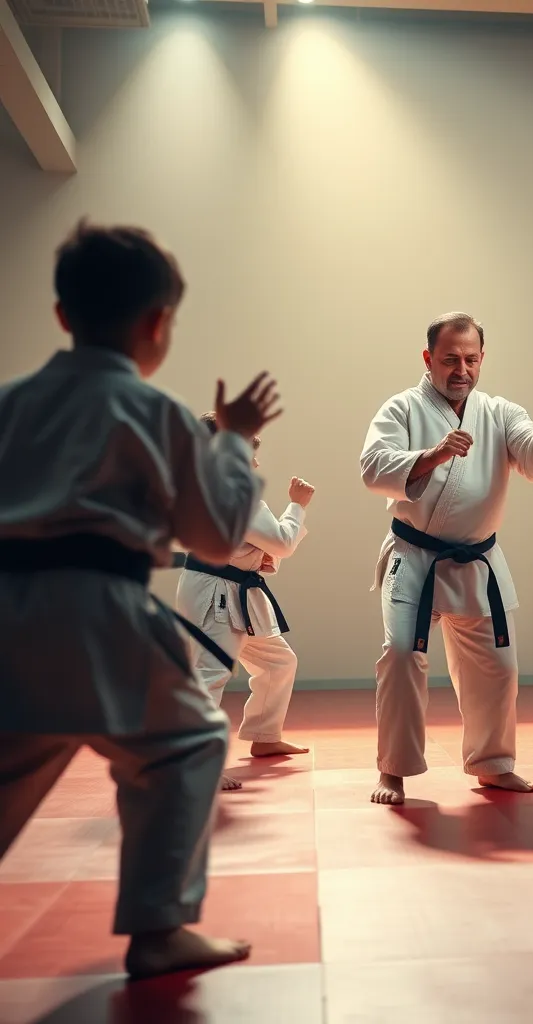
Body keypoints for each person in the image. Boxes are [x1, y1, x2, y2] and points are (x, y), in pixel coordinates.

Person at [0, 221, 282, 978]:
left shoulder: (10, 403)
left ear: (62, 313)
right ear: (158, 325)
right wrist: (232, 440)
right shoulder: (156, 414)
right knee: (187, 742)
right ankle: (158, 928)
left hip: (8, 607)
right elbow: (217, 535)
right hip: (100, 607)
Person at [360, 311, 533, 805]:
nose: (461, 369)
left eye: (471, 359)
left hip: (477, 560)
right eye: (450, 359)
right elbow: (373, 468)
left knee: (498, 667)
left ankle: (492, 763)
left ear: (482, 359)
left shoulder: (499, 412)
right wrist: (433, 456)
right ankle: (393, 770)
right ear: (428, 359)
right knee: (400, 656)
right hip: (416, 557)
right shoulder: (401, 409)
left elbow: (531, 454)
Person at [176, 413, 315, 791]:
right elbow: (282, 541)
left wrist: (255, 557)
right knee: (211, 674)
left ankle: (265, 736)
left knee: (278, 662)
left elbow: (247, 545)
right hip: (217, 595)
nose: (255, 460)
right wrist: (297, 504)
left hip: (221, 588)